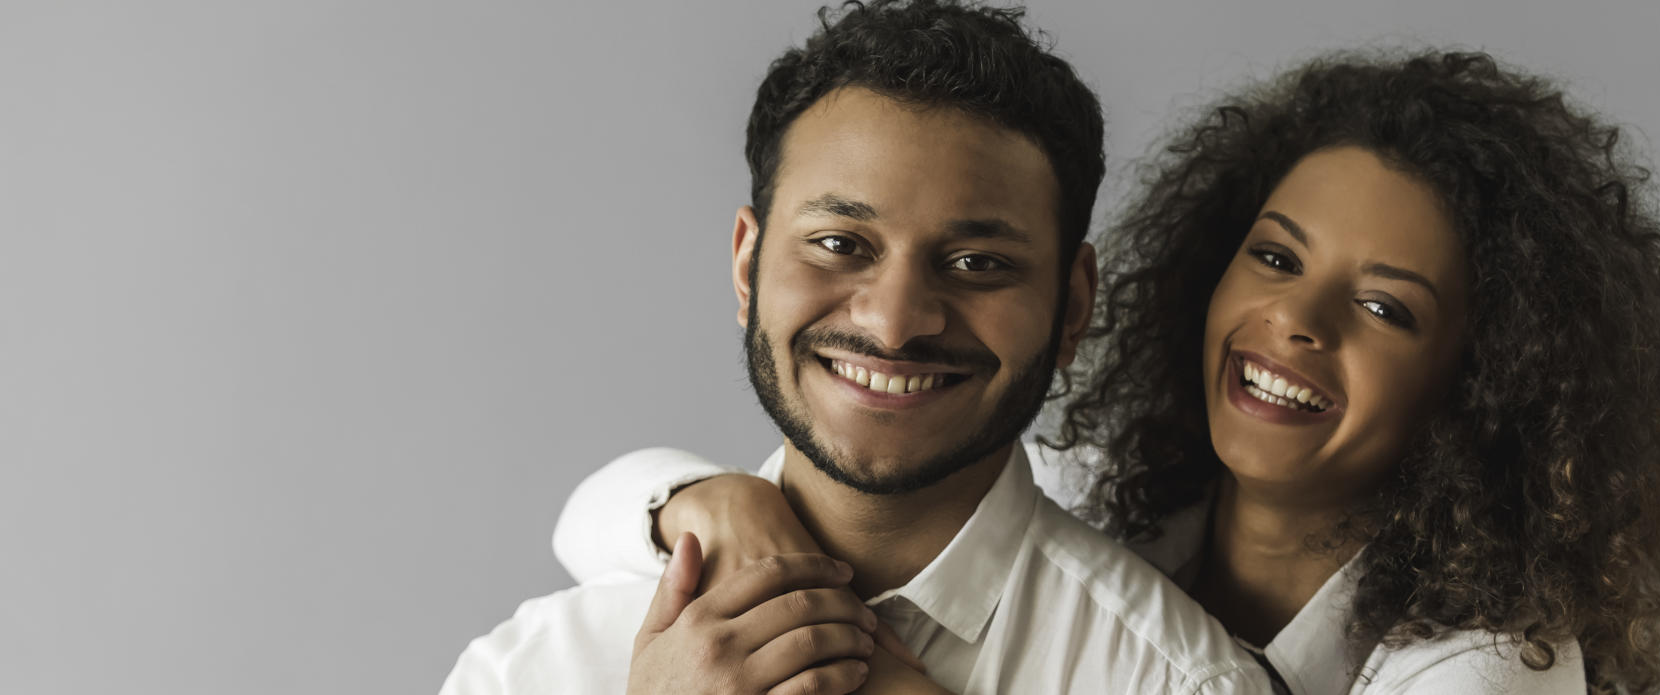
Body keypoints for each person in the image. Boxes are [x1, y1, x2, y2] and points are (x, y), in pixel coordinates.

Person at [560, 50, 1660, 693]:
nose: (1295, 323)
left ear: (1490, 378)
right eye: (1274, 256)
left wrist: (841, 667)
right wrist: (716, 509)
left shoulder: (1483, 672)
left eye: (1382, 306)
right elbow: (590, 513)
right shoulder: (1103, 495)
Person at [439, 1, 1273, 693]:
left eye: (978, 263)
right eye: (841, 243)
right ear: (746, 265)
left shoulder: (1181, 681)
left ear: (1072, 307)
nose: (894, 322)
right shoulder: (542, 663)